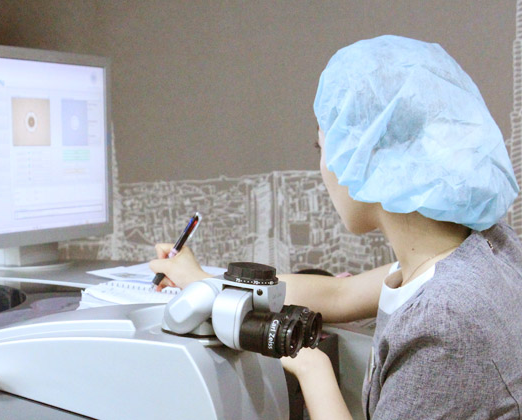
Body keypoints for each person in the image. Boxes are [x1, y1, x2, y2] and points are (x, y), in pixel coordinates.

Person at [149, 35, 522, 419]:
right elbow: (339, 293)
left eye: (324, 148)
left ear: (367, 155)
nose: (323, 168)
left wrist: (313, 369)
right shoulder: (480, 251)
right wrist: (205, 282)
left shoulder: (443, 322)